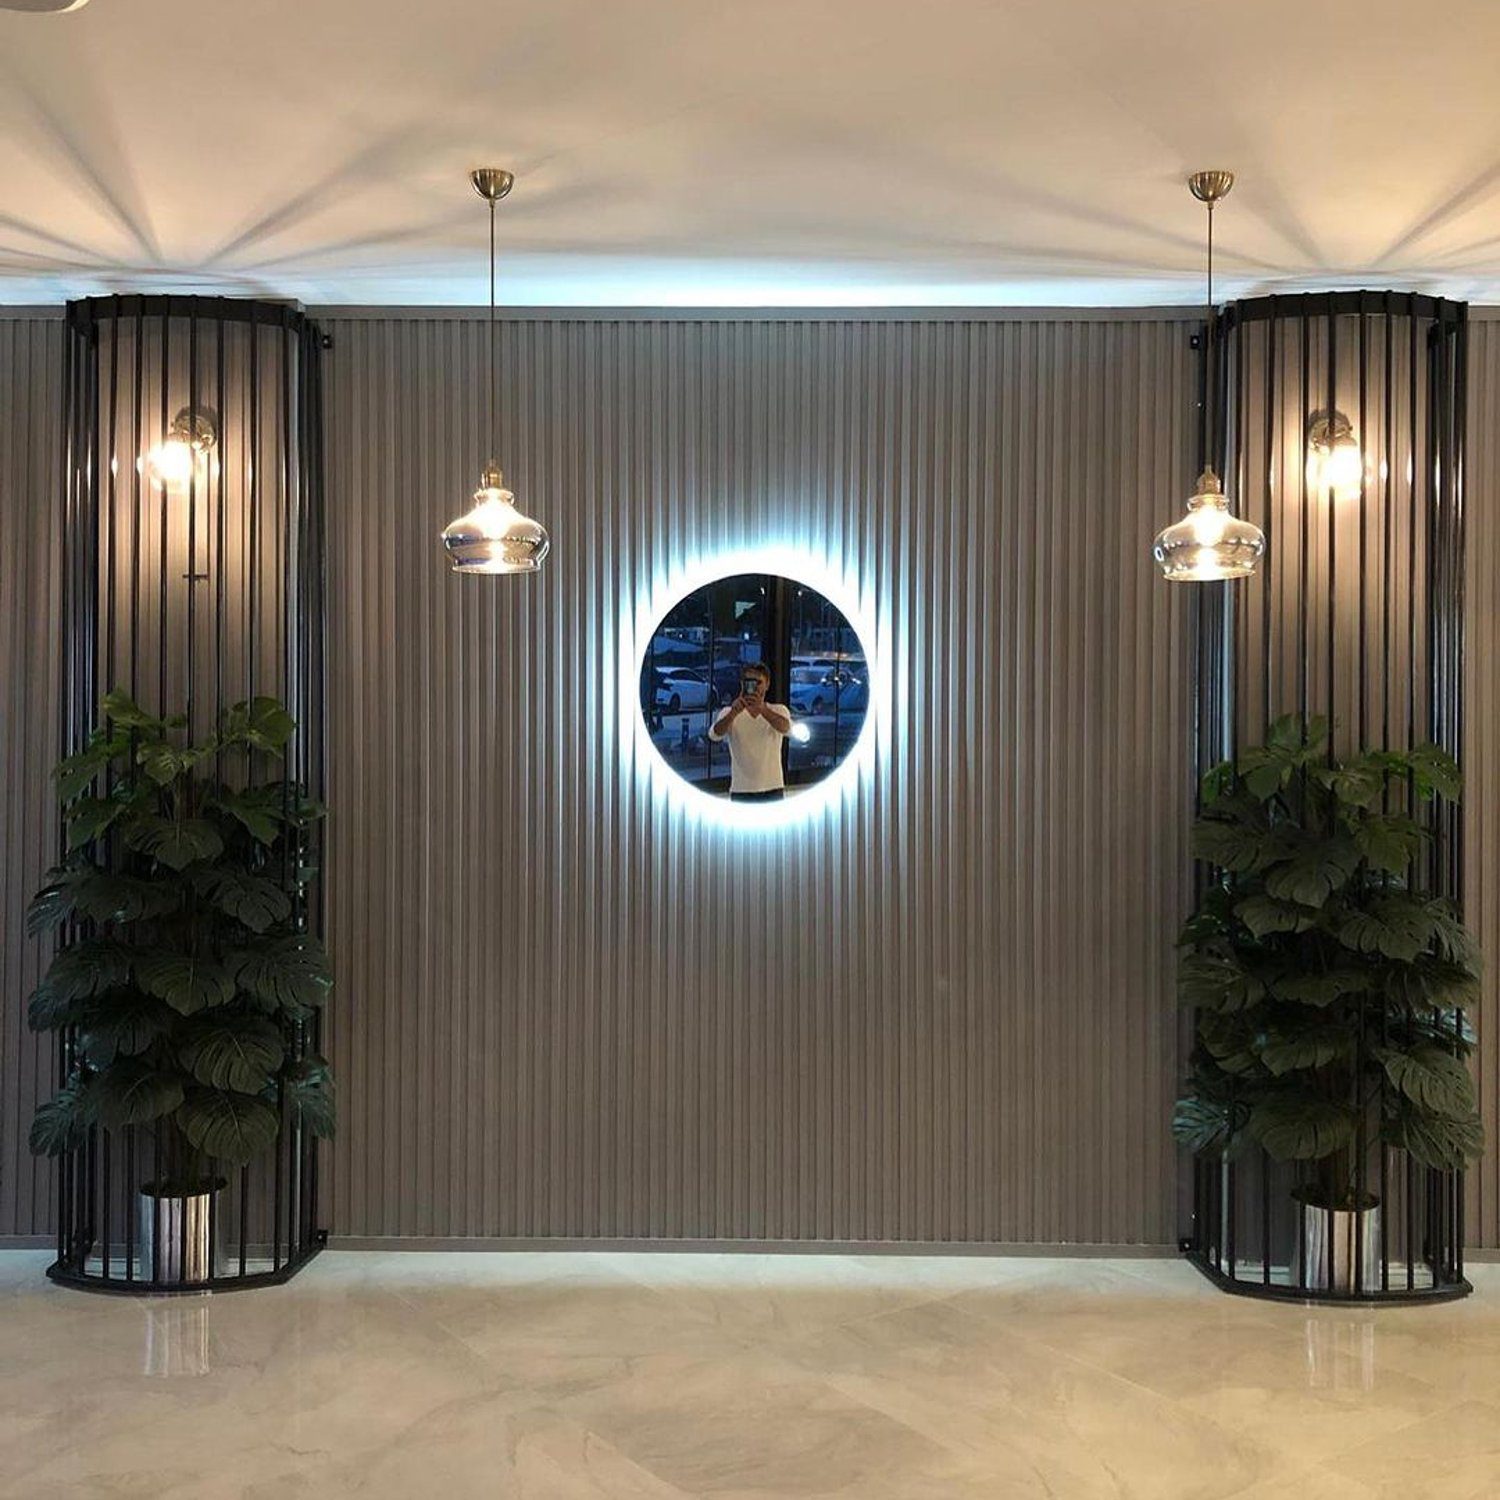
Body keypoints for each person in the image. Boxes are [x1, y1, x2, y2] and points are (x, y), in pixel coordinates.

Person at [708, 663, 792, 801]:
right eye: (749, 682)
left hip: (773, 788)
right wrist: (733, 713)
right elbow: (714, 735)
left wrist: (762, 709)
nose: (755, 687)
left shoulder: (778, 710)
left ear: (767, 684)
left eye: (759, 682)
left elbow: (787, 729)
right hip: (741, 790)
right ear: (742, 685)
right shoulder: (729, 712)